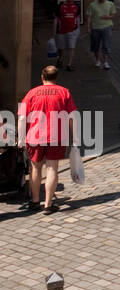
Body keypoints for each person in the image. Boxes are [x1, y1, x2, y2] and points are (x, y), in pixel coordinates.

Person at [17, 66, 78, 213]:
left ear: (42, 77)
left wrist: (21, 138)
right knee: (52, 168)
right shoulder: (64, 92)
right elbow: (72, 117)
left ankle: (35, 201)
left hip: (35, 136)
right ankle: (48, 205)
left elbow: (22, 117)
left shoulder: (32, 93)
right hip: (56, 136)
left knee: (35, 169)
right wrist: (74, 137)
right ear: (56, 77)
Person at [87, 0, 116, 70]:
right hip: (95, 28)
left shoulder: (110, 4)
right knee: (95, 45)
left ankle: (106, 62)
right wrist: (88, 27)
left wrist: (108, 17)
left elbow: (113, 14)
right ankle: (97, 60)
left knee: (106, 45)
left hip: (107, 27)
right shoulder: (92, 5)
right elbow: (89, 17)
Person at [54, 0, 81, 72]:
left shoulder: (76, 6)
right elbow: (56, 19)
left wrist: (78, 29)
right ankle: (60, 59)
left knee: (71, 47)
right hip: (61, 31)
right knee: (61, 48)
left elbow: (78, 18)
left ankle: (69, 64)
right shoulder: (60, 6)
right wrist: (54, 32)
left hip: (72, 31)